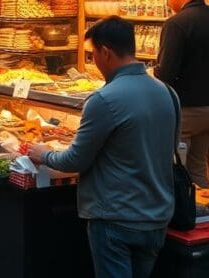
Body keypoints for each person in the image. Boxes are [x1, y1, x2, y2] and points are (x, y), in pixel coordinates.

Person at [28, 16, 175, 277]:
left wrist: (45, 154)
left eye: (93, 53)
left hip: (115, 217)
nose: (93, 60)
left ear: (105, 52)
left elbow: (75, 160)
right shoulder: (168, 93)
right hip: (156, 217)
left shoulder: (105, 99)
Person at [155, 0, 209, 187]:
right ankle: (202, 205)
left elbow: (166, 72)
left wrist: (153, 73)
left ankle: (183, 208)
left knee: (178, 169)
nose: (168, 2)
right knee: (199, 168)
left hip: (185, 110)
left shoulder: (176, 23)